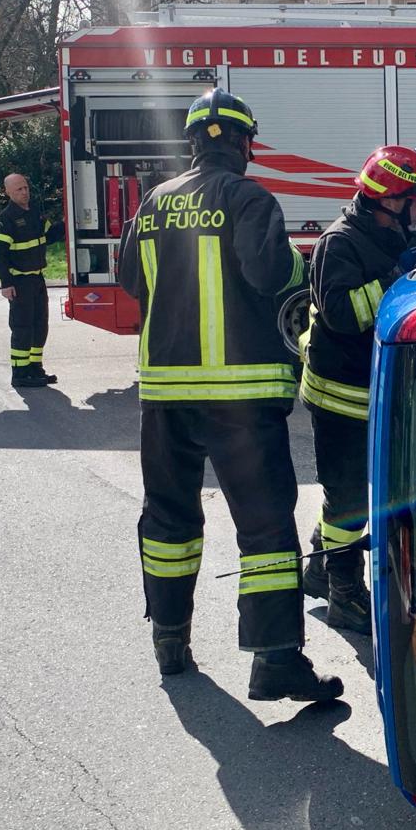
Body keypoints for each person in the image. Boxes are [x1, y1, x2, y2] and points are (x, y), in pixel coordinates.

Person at [117, 88, 341, 703]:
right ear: (246, 143)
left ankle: (170, 638)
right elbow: (271, 274)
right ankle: (274, 662)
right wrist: (305, 270)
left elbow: (129, 279)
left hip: (164, 396)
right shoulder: (248, 198)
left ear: (192, 143)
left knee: (167, 520)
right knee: (265, 530)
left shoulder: (155, 204)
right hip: (240, 396)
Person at [298, 145, 416, 621]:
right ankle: (344, 594)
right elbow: (342, 315)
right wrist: (394, 278)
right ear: (387, 199)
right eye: (412, 198)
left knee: (358, 490)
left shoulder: (391, 230)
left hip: (373, 389)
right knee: (348, 498)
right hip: (341, 395)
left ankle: (318, 566)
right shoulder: (339, 243)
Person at [0, 173, 65, 389]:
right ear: (8, 193)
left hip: (37, 279)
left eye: (25, 188)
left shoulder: (34, 212)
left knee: (39, 325)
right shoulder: (6, 219)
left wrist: (68, 223)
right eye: (18, 190)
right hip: (19, 281)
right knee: (22, 327)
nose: (24, 192)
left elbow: (49, 236)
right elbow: (0, 254)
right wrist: (6, 283)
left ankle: (35, 368)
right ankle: (20, 373)